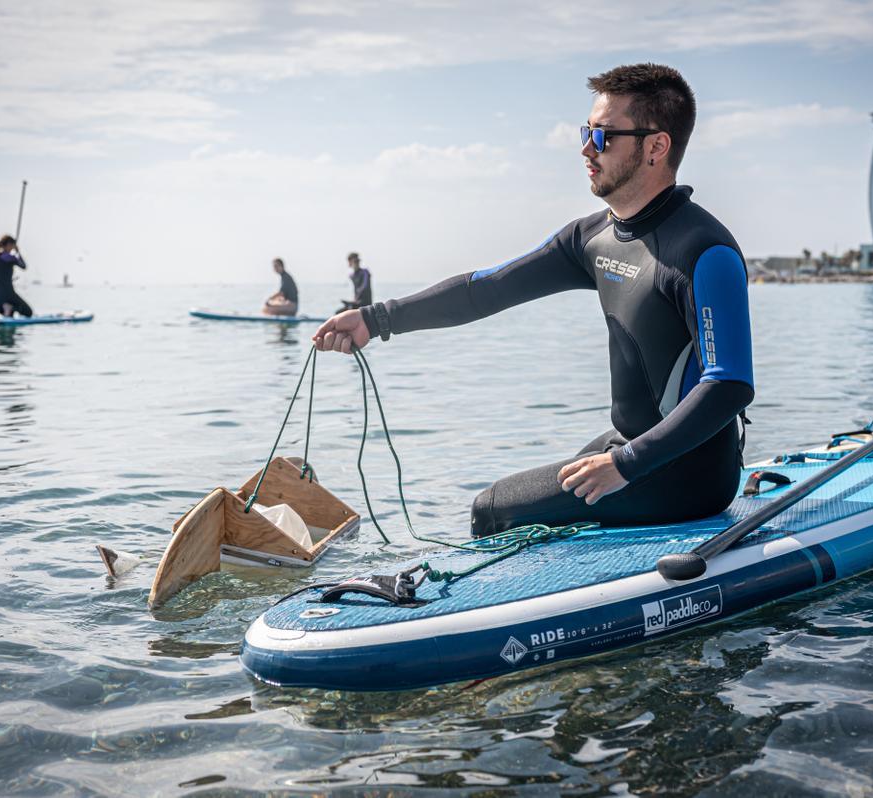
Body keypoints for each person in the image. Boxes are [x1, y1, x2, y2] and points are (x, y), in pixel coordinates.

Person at [313, 63, 754, 538]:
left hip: (690, 473)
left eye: (603, 136)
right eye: (585, 132)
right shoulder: (593, 238)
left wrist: (626, 465)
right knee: (524, 499)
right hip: (631, 448)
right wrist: (374, 320)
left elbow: (728, 385)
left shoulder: (703, 250)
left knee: (492, 510)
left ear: (656, 147)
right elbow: (489, 288)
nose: (587, 148)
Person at [0, 235, 33, 318]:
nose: (13, 248)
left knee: (10, 313)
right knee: (28, 312)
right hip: (6, 293)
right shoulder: (9, 257)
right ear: (9, 244)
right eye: (12, 246)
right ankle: (7, 307)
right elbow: (23, 266)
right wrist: (17, 252)